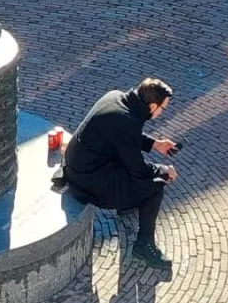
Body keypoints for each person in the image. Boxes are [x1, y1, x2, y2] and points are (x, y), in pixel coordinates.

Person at [62, 77, 178, 268]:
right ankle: (144, 245)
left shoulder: (116, 97)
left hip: (79, 165)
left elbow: (123, 134)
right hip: (88, 180)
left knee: (136, 174)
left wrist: (154, 144)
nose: (161, 112)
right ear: (152, 107)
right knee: (156, 184)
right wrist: (164, 170)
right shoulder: (127, 121)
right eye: (162, 108)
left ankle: (128, 204)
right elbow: (139, 169)